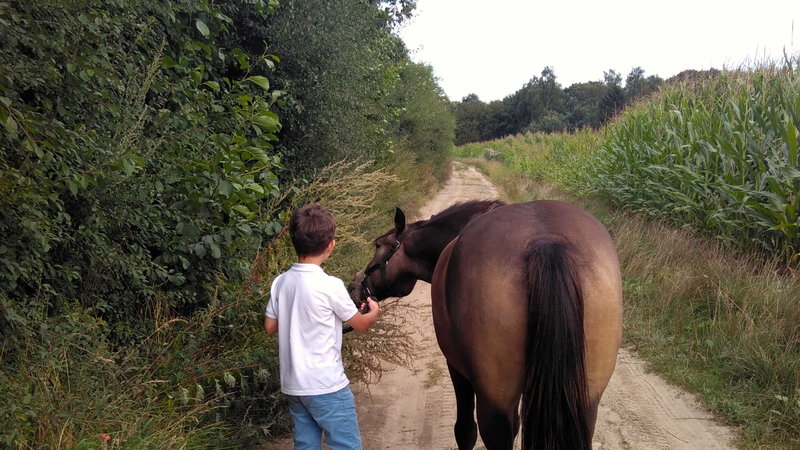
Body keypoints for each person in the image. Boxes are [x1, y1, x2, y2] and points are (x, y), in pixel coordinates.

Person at [264, 204, 380, 450]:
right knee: (346, 445)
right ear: (330, 245)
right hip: (327, 385)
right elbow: (360, 325)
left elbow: (270, 326)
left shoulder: (280, 282)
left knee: (306, 445)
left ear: (294, 243)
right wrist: (373, 312)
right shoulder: (330, 285)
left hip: (295, 385)